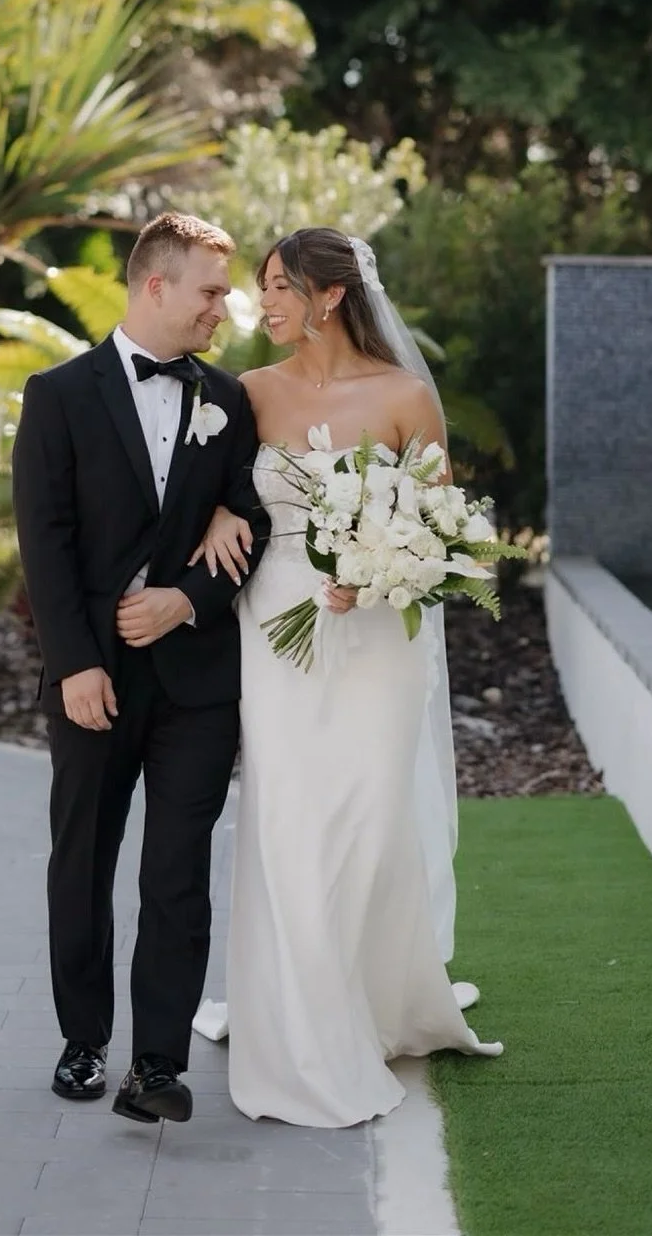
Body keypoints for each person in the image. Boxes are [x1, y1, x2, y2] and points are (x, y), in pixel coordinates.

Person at [192, 225, 502, 1127]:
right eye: (260, 287)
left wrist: (379, 572)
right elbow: (208, 492)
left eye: (279, 286)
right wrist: (216, 518)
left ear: (330, 295)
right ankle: (301, 1027)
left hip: (378, 640)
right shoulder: (248, 392)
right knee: (289, 820)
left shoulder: (406, 397)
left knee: (369, 821)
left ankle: (368, 1001)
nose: (263, 302)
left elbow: (445, 530)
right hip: (276, 630)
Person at [12, 212, 270, 1125]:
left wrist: (189, 598)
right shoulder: (57, 395)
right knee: (83, 861)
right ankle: (84, 1042)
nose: (223, 308)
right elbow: (44, 540)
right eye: (211, 291)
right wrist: (76, 665)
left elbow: (255, 516)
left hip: (198, 683)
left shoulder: (230, 401)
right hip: (95, 679)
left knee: (177, 872)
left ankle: (156, 1065)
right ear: (155, 286)